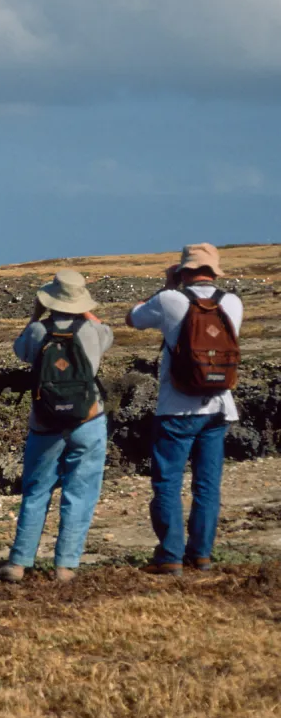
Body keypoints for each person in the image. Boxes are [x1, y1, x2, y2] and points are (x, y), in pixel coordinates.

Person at [126, 243, 243, 575]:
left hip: (176, 407)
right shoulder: (233, 302)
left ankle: (170, 556)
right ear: (214, 271)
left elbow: (132, 318)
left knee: (167, 483)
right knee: (207, 484)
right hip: (219, 406)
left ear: (183, 270)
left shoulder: (169, 300)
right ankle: (201, 555)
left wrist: (167, 286)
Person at [0, 271, 114, 584]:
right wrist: (85, 311)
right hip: (88, 418)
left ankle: (19, 562)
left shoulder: (37, 331)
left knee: (36, 492)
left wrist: (35, 316)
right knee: (80, 492)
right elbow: (107, 334)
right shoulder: (93, 330)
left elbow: (20, 351)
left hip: (45, 421)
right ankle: (65, 566)